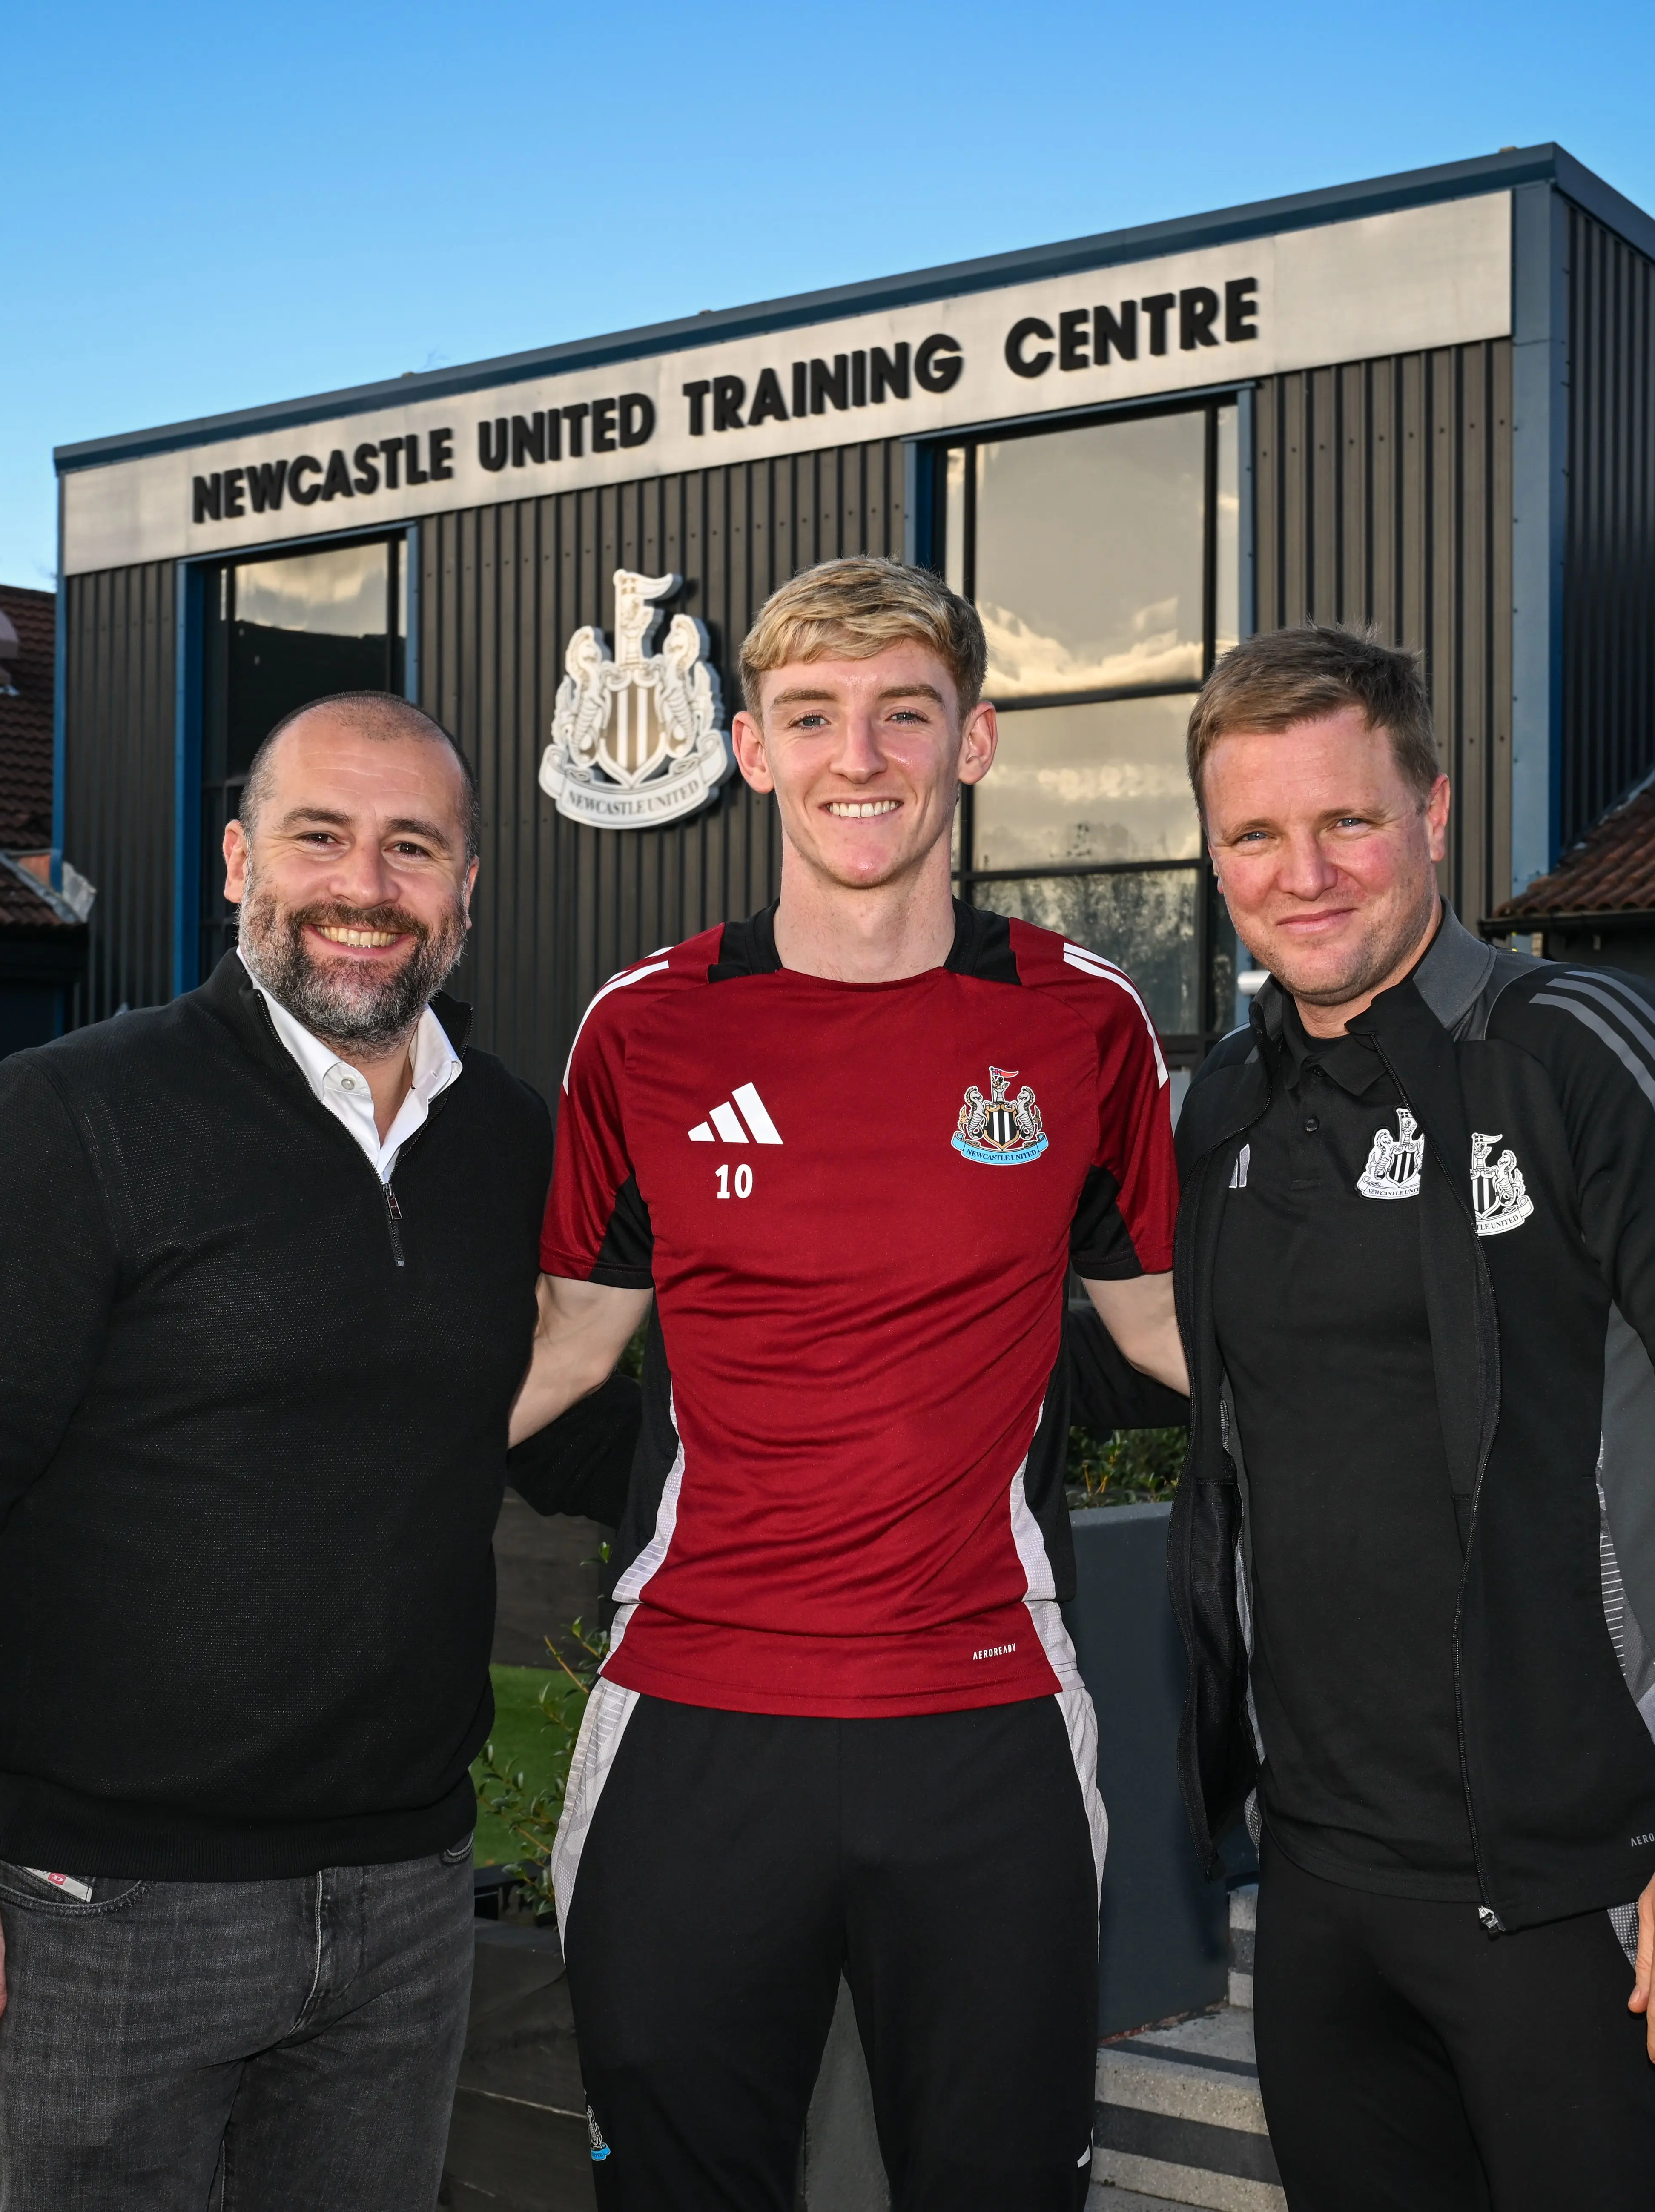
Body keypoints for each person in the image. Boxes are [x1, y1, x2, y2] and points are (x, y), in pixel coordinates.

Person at [0, 692, 633, 2212]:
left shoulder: (512, 1138)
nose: (363, 887)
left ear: (467, 889)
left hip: (402, 1902)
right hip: (98, 1910)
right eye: (320, 836)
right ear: (243, 862)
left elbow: (541, 1418)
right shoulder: (68, 1119)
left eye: (412, 847)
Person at [1118, 624, 1655, 2209]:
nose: (1302, 872)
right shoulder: (1221, 1106)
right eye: (1254, 833)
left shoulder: (1579, 1051)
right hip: (1314, 1888)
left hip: (1575, 1887)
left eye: (1346, 821)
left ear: (1432, 813)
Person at [508, 556, 1192, 2212]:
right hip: (690, 1724)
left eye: (905, 713)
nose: (859, 756)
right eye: (811, 717)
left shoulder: (1087, 1028)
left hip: (985, 1731)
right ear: (750, 750)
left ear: (975, 744)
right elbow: (563, 1361)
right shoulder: (643, 1031)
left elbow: (1179, 1340)